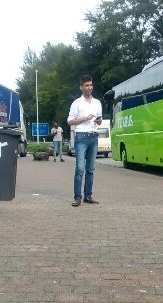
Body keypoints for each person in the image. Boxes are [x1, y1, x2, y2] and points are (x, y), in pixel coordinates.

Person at [67, 74, 102, 207]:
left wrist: (98, 121)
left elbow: (98, 121)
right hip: (81, 137)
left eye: (91, 85)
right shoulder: (76, 103)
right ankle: (77, 197)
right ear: (81, 87)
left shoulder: (97, 103)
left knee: (91, 169)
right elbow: (70, 121)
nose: (89, 87)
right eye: (86, 85)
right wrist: (85, 118)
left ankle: (88, 196)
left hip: (93, 136)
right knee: (80, 169)